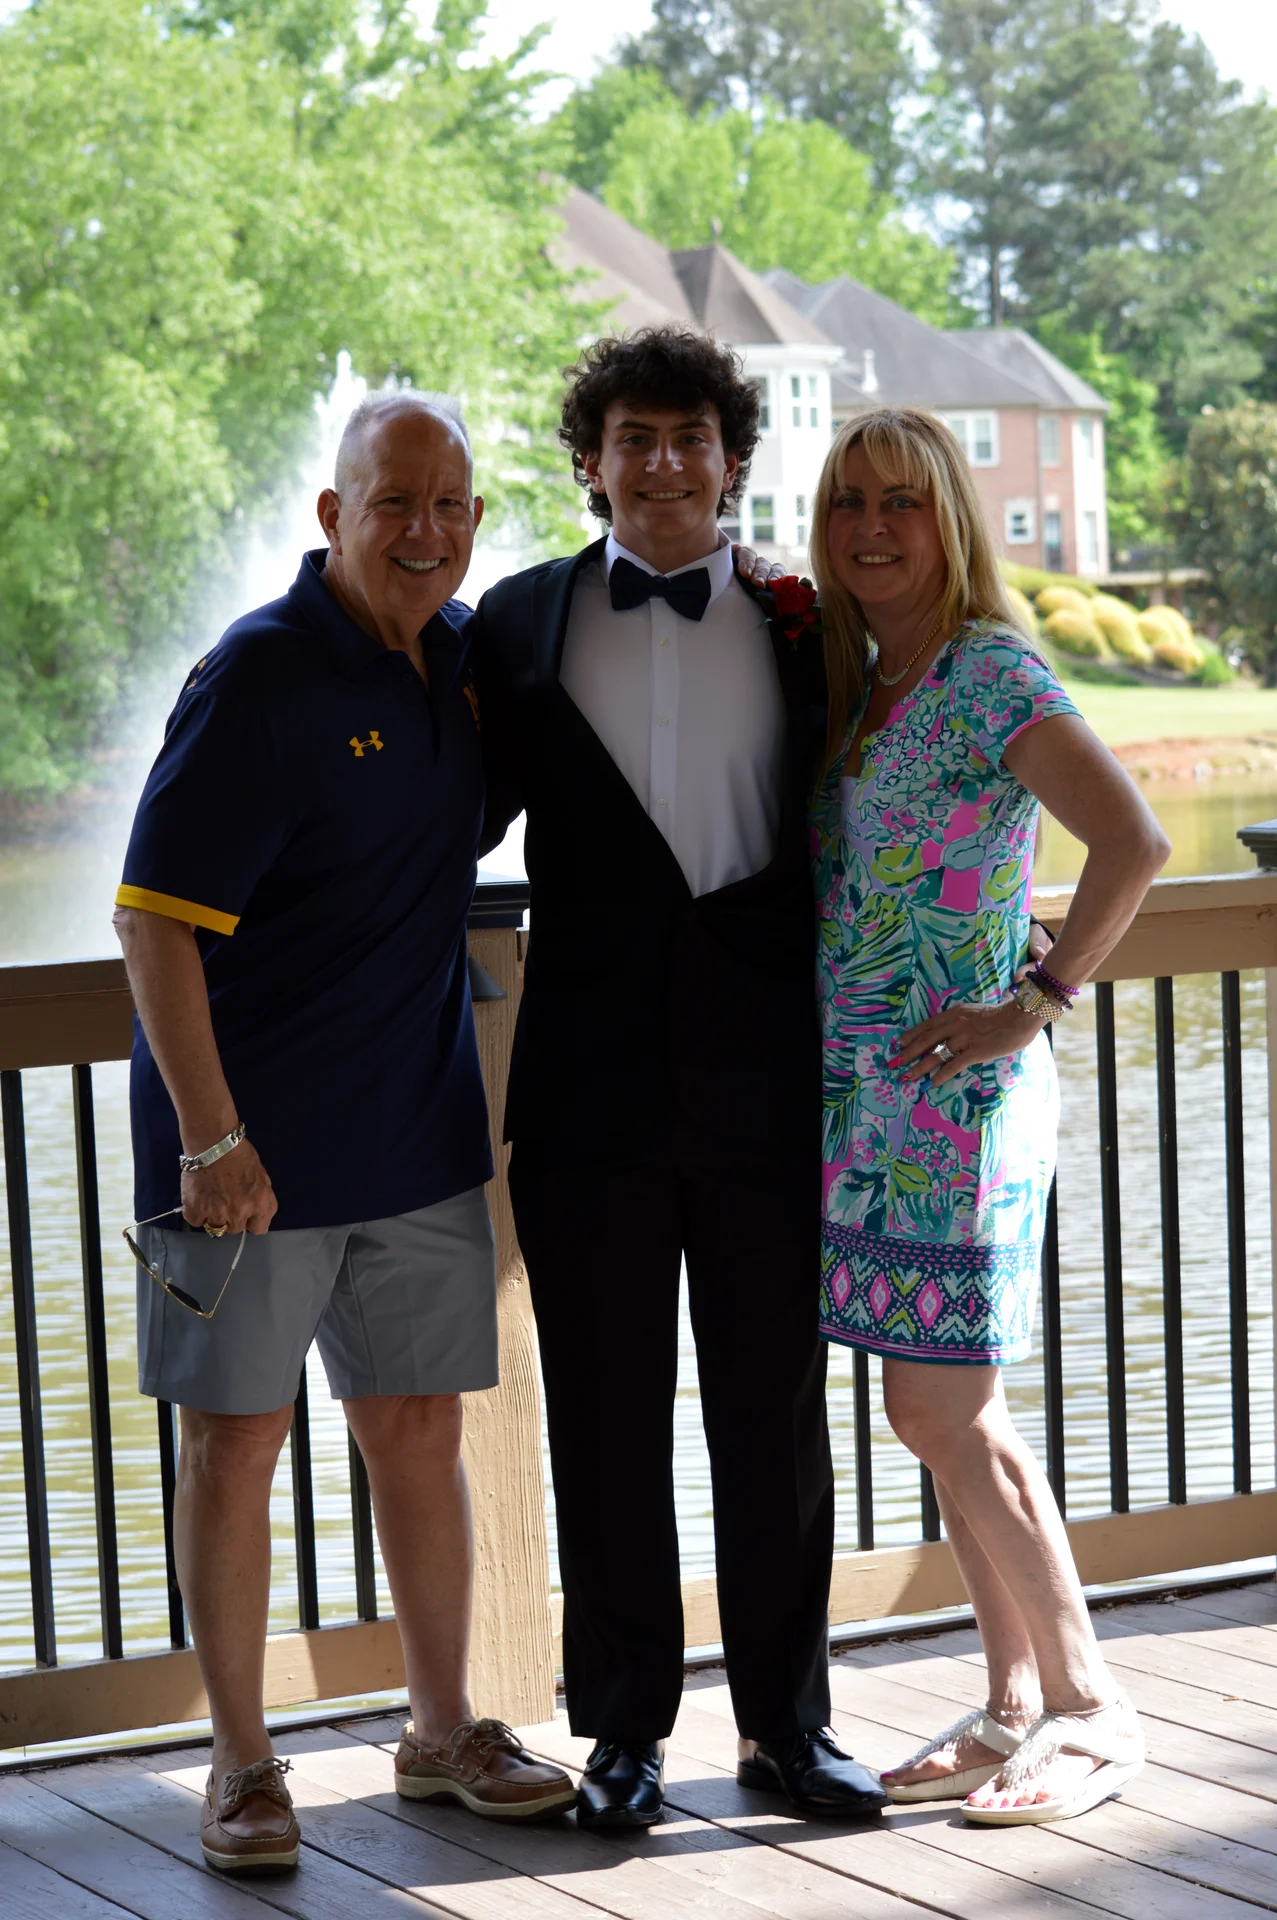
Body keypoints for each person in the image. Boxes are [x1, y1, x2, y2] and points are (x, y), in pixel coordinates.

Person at [113, 392, 574, 1875]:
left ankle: (442, 1732)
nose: (423, 531)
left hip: (414, 1133)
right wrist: (209, 1140)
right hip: (242, 1158)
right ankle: (242, 1765)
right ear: (334, 514)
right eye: (393, 503)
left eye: (449, 506)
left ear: (475, 520)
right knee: (236, 1445)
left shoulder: (462, 668)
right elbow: (151, 923)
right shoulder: (257, 674)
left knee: (419, 1431)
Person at [472, 326, 887, 1828]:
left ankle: (787, 1723)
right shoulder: (515, 622)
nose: (663, 463)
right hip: (585, 1089)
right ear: (590, 465)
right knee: (604, 1414)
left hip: (767, 1081)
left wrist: (999, 930)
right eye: (633, 438)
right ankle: (625, 1732)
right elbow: (437, 811)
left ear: (733, 462)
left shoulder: (803, 621)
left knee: (773, 1416)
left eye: (691, 437)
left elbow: (892, 793)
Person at [806, 405, 1169, 1825]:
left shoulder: (986, 672)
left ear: (951, 518)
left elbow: (1132, 839)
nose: (872, 528)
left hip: (962, 1107)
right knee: (942, 1413)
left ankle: (1089, 1707)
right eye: (848, 503)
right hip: (873, 1109)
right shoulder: (868, 682)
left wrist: (1042, 996)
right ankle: (1013, 1700)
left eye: (901, 501)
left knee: (941, 1405)